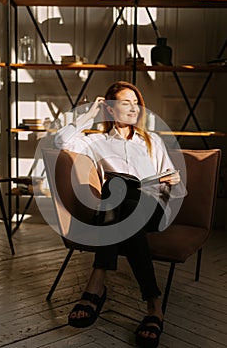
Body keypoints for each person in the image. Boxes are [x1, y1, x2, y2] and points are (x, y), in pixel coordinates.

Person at [55, 81, 182, 348]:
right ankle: (153, 304)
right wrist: (89, 115)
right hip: (119, 212)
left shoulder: (153, 141)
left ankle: (96, 284)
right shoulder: (96, 142)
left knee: (120, 188)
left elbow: (179, 189)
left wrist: (173, 182)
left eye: (136, 103)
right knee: (118, 189)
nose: (134, 108)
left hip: (154, 212)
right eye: (126, 102)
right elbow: (60, 140)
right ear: (110, 110)